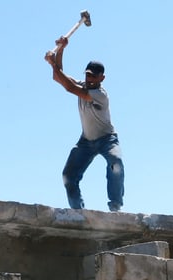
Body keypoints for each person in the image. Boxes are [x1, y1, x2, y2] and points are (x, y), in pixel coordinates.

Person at [45, 37, 124, 212]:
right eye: (87, 75)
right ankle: (78, 211)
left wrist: (52, 62)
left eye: (93, 76)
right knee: (68, 175)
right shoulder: (83, 85)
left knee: (115, 162)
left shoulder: (100, 95)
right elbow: (59, 76)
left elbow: (69, 87)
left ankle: (116, 207)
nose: (89, 79)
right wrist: (61, 49)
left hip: (107, 140)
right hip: (86, 141)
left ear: (102, 78)